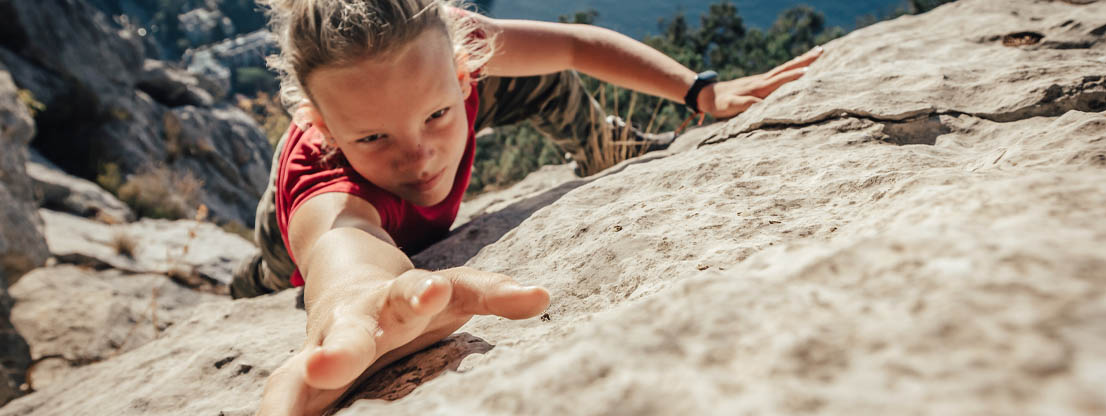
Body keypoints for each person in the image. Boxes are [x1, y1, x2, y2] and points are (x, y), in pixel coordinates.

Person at [234, 0, 823, 414]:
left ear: (461, 63)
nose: (419, 159)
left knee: (544, 78)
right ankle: (245, 279)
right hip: (287, 236)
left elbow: (572, 45)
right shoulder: (327, 193)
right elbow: (342, 255)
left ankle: (611, 147)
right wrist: (351, 304)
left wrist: (701, 91)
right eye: (374, 138)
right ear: (317, 122)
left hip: (422, 101)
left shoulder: (437, 44)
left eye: (437, 115)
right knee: (275, 268)